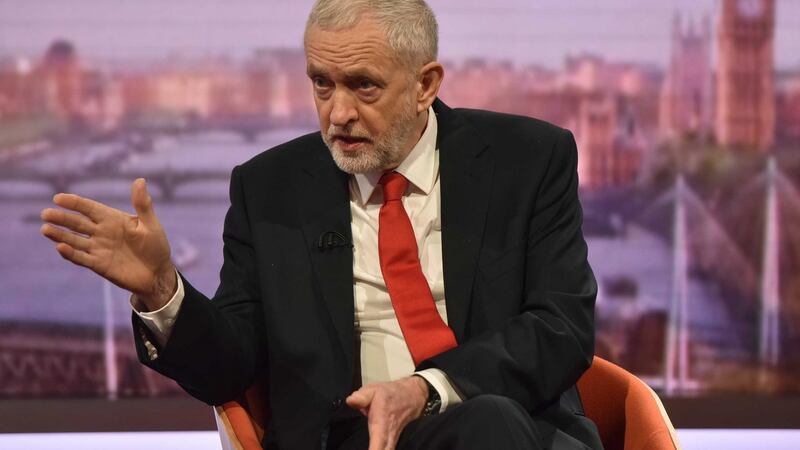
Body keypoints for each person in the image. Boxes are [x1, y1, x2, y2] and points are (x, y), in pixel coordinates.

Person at [40, 1, 602, 449]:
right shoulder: (270, 188)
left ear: (425, 84)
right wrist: (162, 290)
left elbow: (561, 326)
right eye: (321, 83)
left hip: (513, 427)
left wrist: (425, 390)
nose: (338, 113)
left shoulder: (527, 161)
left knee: (489, 424)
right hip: (352, 437)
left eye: (363, 85)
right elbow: (230, 368)